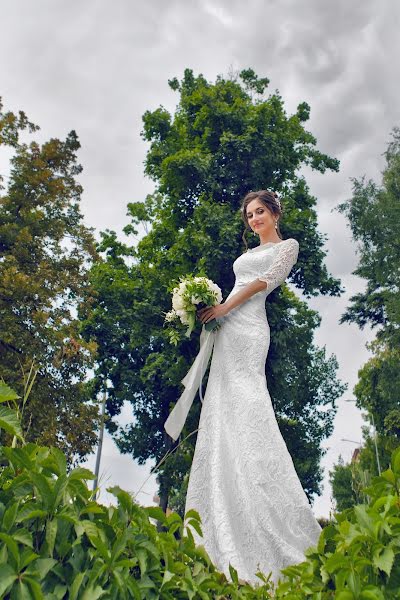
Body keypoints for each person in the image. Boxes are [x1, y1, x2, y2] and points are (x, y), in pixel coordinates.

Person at [165, 190, 322, 587]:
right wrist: (209, 306)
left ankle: (277, 518)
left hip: (249, 328)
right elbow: (238, 282)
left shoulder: (287, 247)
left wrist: (224, 308)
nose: (253, 219)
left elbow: (261, 284)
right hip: (227, 327)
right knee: (222, 413)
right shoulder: (249, 249)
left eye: (259, 212)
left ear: (273, 213)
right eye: (249, 215)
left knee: (251, 410)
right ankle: (220, 523)